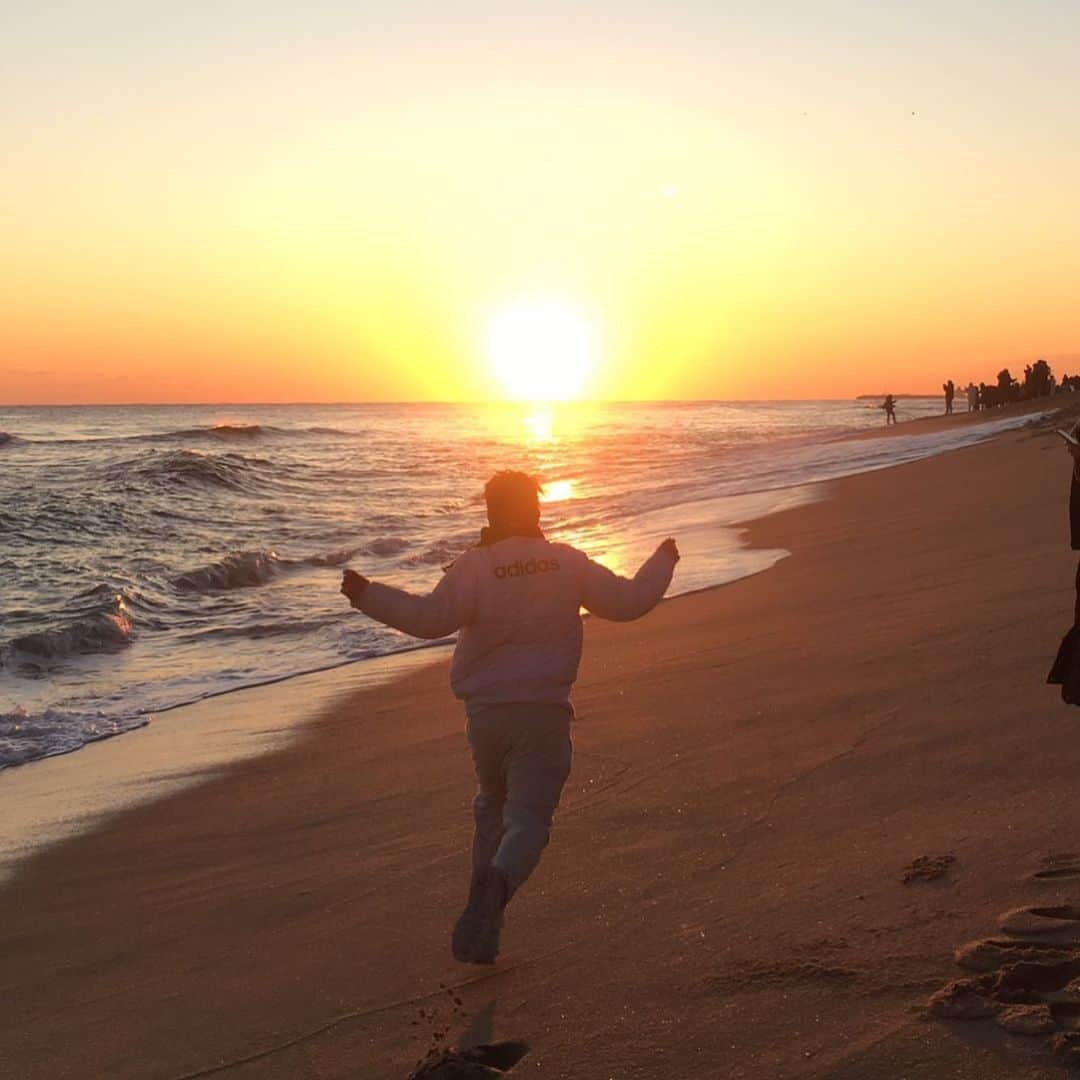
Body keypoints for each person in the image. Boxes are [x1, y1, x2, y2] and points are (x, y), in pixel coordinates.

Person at [340, 470, 679, 964]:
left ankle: (484, 930)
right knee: (528, 822)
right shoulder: (566, 562)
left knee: (492, 809)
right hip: (542, 715)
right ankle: (497, 886)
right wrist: (663, 560)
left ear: (491, 512)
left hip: (485, 720)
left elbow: (429, 619)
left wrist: (368, 595)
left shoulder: (475, 566)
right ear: (536, 510)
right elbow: (628, 603)